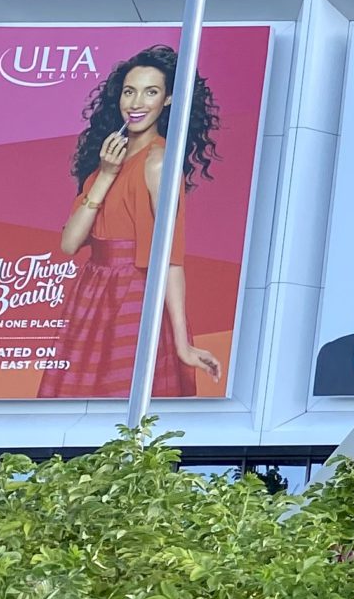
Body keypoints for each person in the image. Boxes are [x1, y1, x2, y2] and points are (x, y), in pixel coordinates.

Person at [40, 45, 224, 400]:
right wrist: (107, 175)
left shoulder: (158, 162)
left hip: (136, 296)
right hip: (92, 294)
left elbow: (171, 257)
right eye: (130, 91)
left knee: (124, 407)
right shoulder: (107, 160)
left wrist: (182, 343)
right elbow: (69, 244)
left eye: (151, 92)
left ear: (168, 100)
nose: (137, 102)